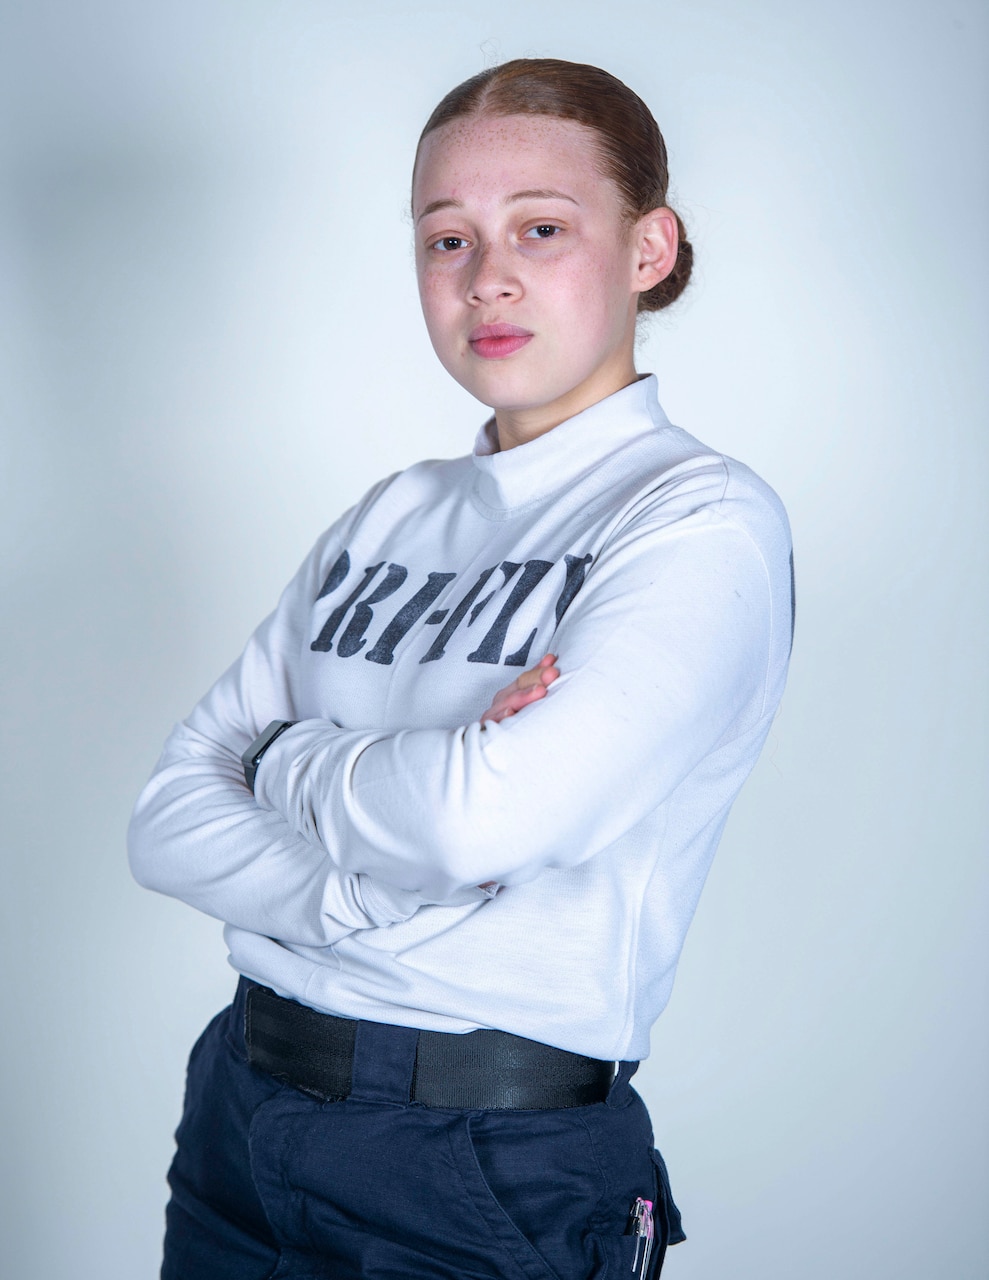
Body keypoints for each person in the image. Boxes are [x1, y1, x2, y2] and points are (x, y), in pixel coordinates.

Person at [129, 57, 794, 1279]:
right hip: (241, 1109)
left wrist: (279, 756)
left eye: (540, 228)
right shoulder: (388, 515)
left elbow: (474, 821)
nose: (485, 276)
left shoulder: (698, 523)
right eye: (446, 238)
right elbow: (167, 817)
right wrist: (366, 887)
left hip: (480, 1162)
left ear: (647, 248)